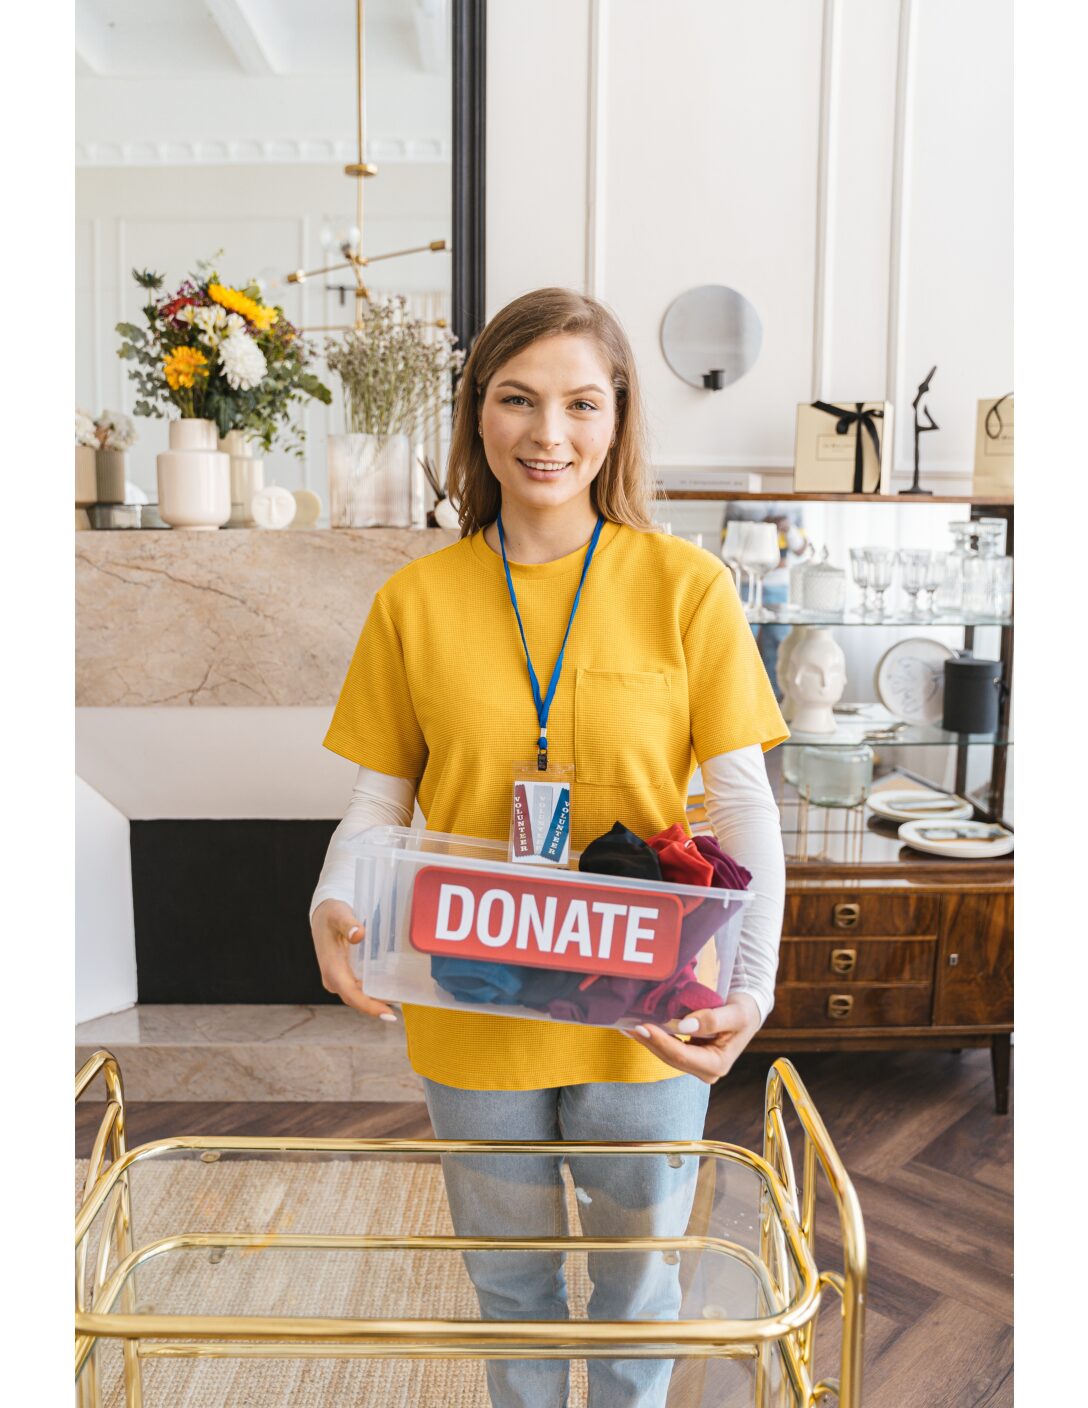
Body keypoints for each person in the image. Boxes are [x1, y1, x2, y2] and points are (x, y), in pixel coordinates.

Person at [310, 287, 789, 1407]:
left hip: (649, 1013)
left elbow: (744, 805)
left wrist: (753, 988)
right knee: (509, 1287)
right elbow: (379, 801)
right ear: (476, 413)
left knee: (635, 1293)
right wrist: (332, 902)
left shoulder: (685, 587)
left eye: (581, 402)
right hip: (469, 1006)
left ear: (616, 420)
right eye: (517, 399)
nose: (548, 432)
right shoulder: (412, 601)